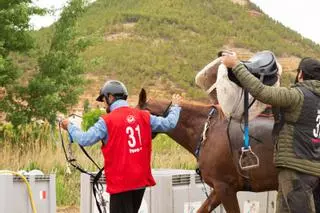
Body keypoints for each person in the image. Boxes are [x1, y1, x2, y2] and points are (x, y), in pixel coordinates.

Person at [61, 80, 182, 213]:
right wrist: (175, 107)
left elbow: (85, 139)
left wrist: (70, 126)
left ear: (111, 97)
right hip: (140, 182)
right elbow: (169, 124)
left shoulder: (106, 121)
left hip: (121, 183)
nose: (104, 103)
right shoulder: (144, 116)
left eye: (104, 99)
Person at [221, 53, 320, 213]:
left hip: (295, 171)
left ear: (301, 74)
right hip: (312, 170)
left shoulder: (297, 96)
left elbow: (261, 91)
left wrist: (236, 65)